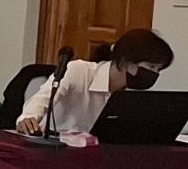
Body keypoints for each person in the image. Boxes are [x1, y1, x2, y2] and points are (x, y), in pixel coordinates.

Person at [16, 28, 175, 135]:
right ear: (128, 60)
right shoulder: (78, 70)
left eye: (158, 69)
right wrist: (29, 118)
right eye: (151, 66)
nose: (154, 74)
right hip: (54, 148)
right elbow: (42, 98)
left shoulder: (132, 95)